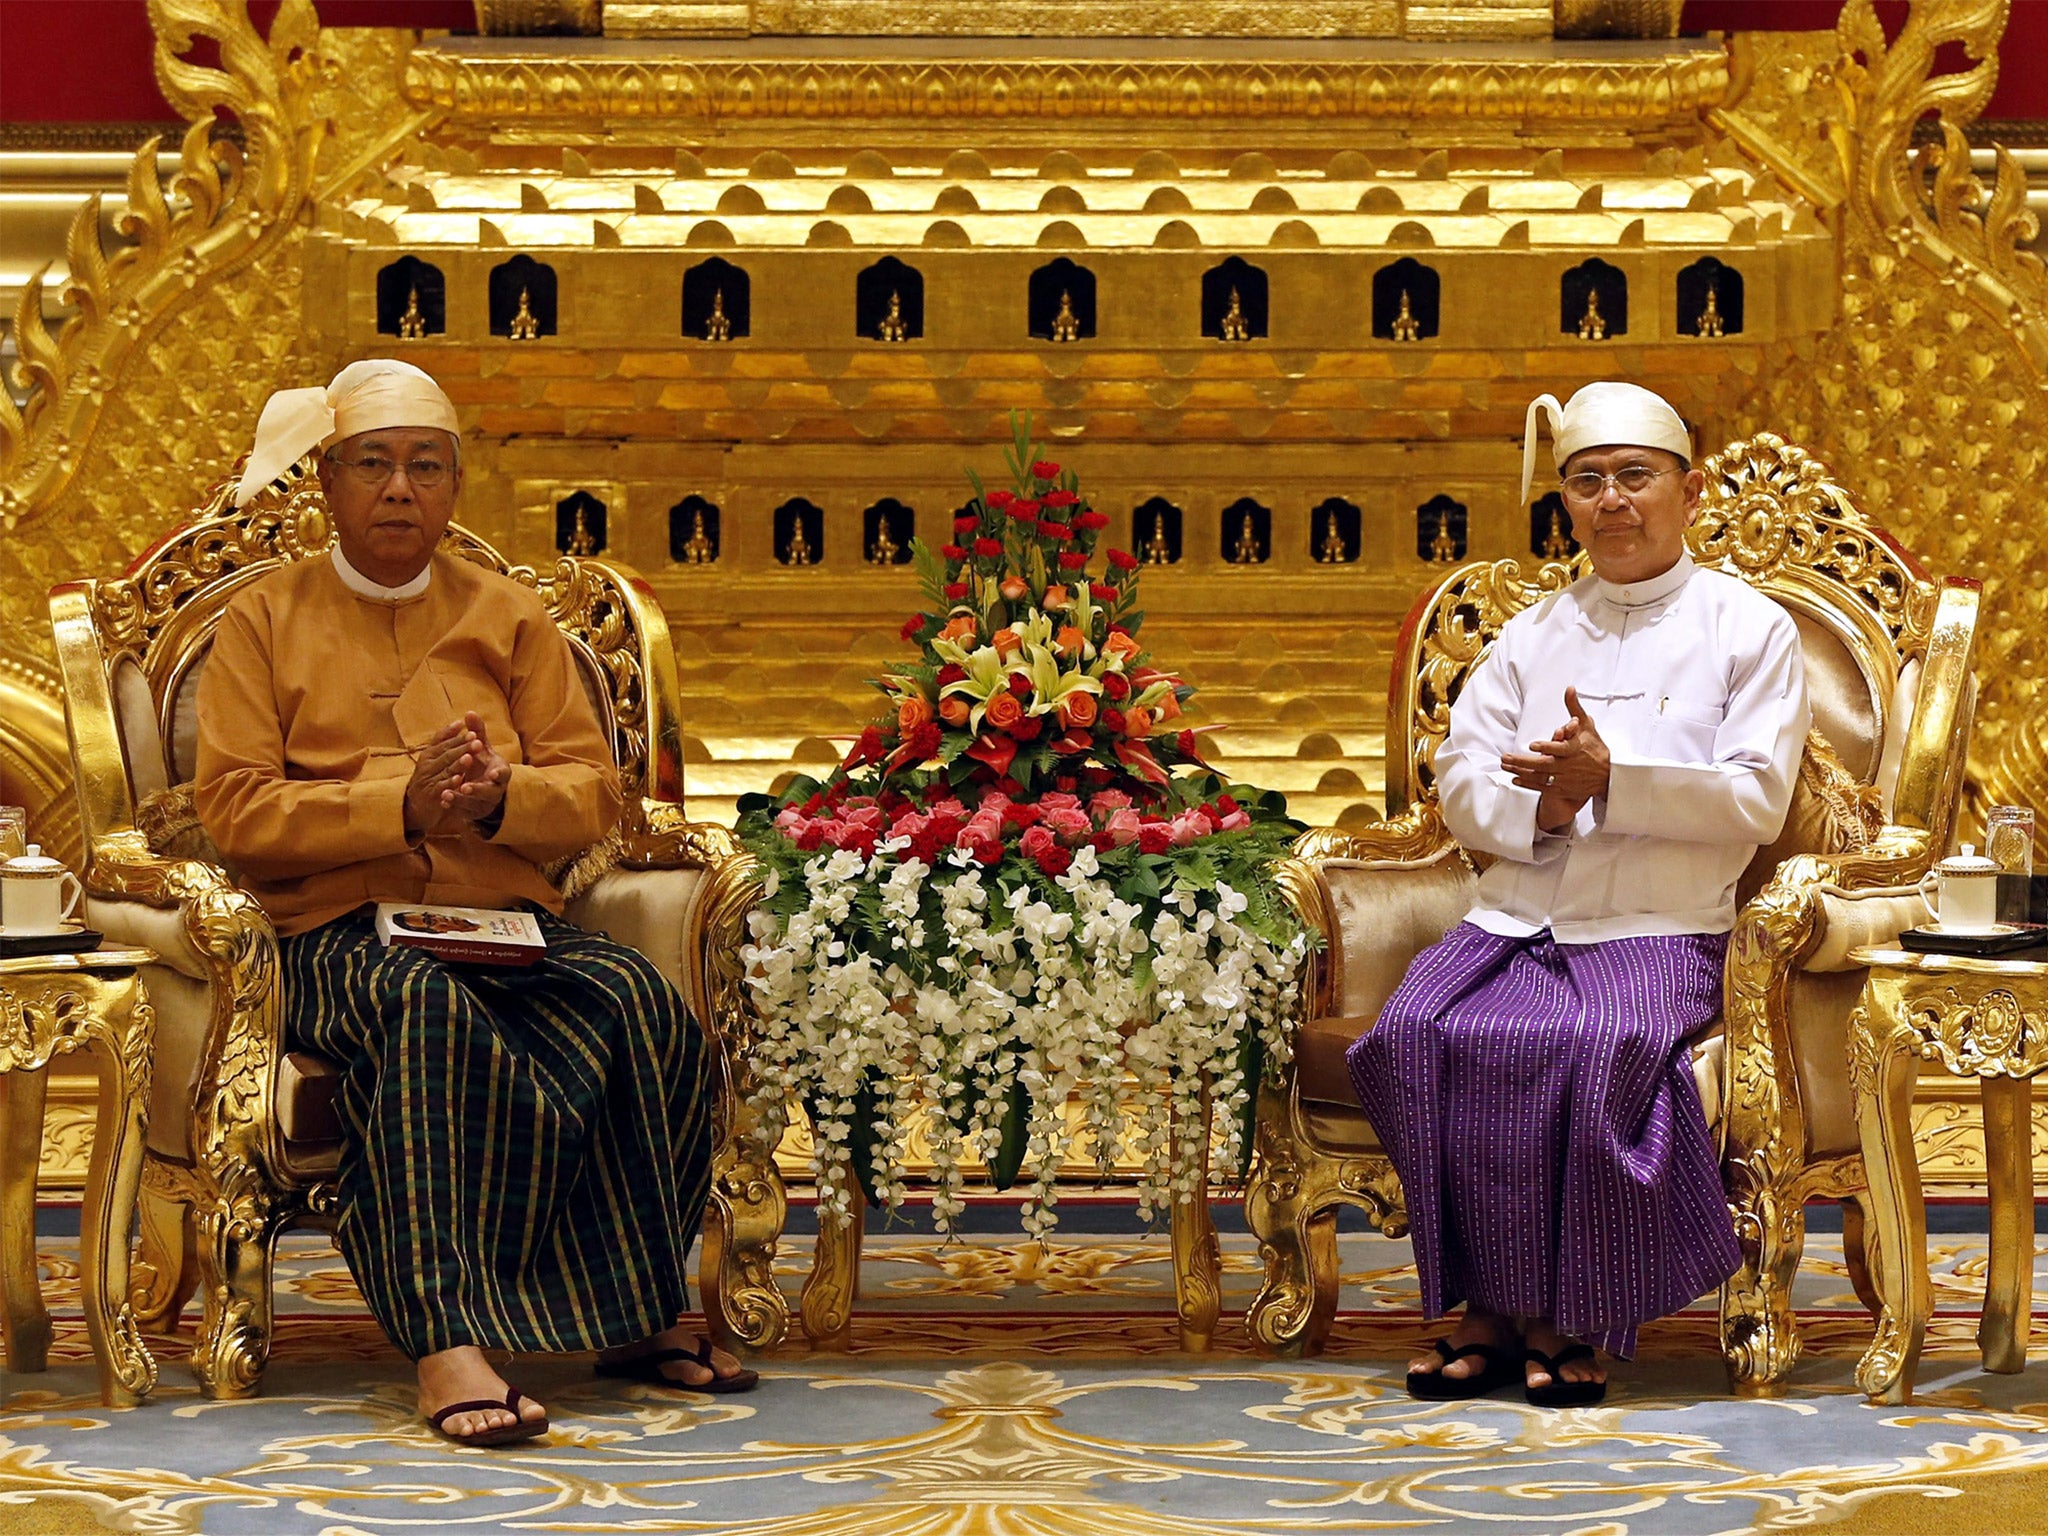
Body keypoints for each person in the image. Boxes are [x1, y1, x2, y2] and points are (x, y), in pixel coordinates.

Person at [194, 360, 756, 1448]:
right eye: (372, 466)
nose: (398, 489)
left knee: (637, 1003)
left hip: (500, 921)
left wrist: (501, 799)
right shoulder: (264, 619)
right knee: (426, 1017)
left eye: (422, 467)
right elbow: (234, 811)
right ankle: (445, 1339)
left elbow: (595, 792)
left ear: (454, 488)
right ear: (327, 484)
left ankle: (636, 1314)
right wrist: (390, 806)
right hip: (333, 930)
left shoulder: (505, 615)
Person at [1346, 381, 1809, 1406]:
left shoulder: (1748, 628)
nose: (1612, 501)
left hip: (1661, 927)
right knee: (1415, 1029)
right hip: (1517, 915)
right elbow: (1460, 780)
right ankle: (1485, 1303)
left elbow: (1757, 798)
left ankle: (1567, 1314)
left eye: (1634, 478)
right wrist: (1547, 812)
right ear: (1564, 501)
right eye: (1586, 481)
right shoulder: (1531, 633)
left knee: (1597, 1047)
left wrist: (1613, 782)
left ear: (1688, 494)